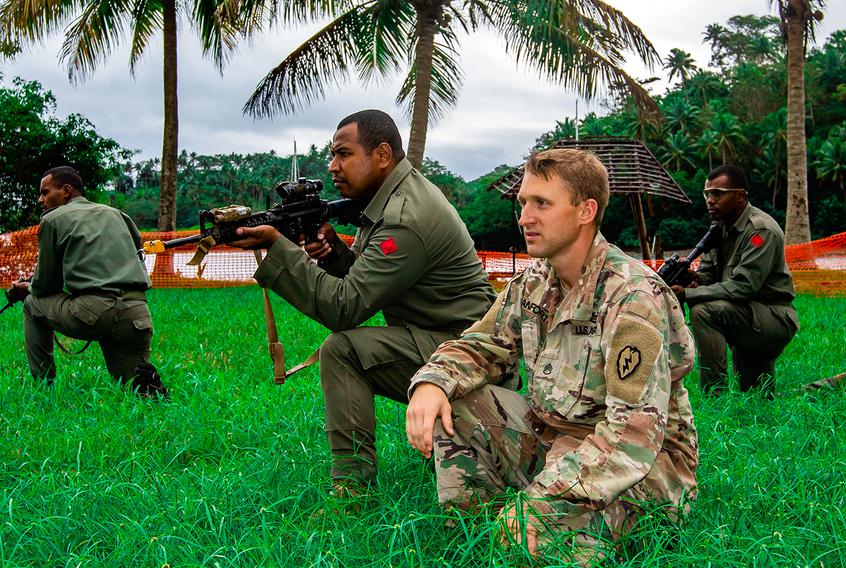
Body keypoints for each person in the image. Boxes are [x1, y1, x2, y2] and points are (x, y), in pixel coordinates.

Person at [405, 149, 698, 562]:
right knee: (456, 401)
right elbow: (480, 345)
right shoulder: (534, 283)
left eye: (542, 203)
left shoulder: (632, 297)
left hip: (642, 467)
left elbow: (631, 436)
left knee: (543, 540)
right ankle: (477, 530)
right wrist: (433, 381)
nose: (524, 217)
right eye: (523, 203)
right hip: (557, 437)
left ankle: (522, 525)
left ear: (585, 211)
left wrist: (541, 500)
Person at [229, 109, 496, 491]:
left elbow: (345, 309)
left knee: (342, 350)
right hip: (453, 340)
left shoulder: (403, 217)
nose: (333, 166)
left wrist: (277, 246)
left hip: (466, 351)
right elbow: (372, 280)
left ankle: (352, 490)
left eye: (344, 154)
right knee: (346, 348)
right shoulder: (394, 199)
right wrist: (335, 252)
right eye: (332, 155)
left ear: (383, 155)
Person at [8, 166, 168, 397]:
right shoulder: (119, 215)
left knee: (32, 303)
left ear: (65, 190)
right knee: (134, 388)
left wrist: (26, 288)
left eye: (45, 192)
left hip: (94, 315)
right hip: (137, 318)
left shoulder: (52, 220)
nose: (40, 199)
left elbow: (44, 286)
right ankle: (152, 393)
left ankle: (44, 389)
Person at [671, 164, 799, 397]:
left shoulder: (761, 231)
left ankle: (714, 395)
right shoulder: (718, 230)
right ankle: (839, 383)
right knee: (759, 397)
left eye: (718, 193)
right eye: (707, 193)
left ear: (740, 196)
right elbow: (711, 276)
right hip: (745, 316)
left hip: (773, 319)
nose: (710, 200)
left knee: (703, 311)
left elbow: (744, 286)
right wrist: (695, 278)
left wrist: (688, 294)